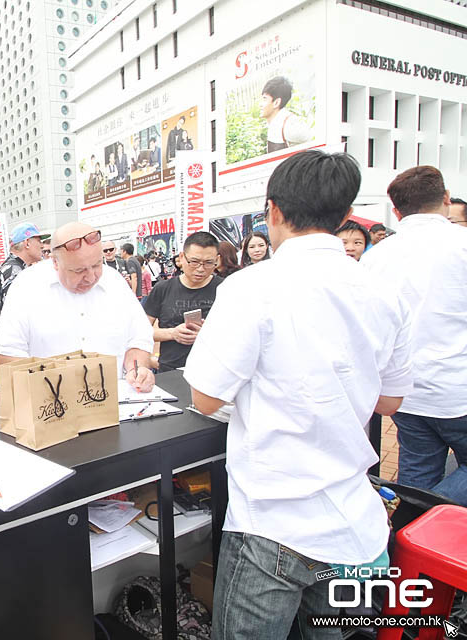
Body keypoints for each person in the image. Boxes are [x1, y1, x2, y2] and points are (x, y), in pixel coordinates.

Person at [184, 151, 413, 638]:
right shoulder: (383, 292)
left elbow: (204, 397)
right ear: (342, 216)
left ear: (273, 212)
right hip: (354, 524)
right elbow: (389, 403)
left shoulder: (252, 287)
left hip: (273, 524)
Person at [362, 165, 467, 505]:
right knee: (424, 483)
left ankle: (409, 520)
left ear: (396, 210)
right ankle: (422, 514)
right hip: (457, 390)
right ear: (446, 200)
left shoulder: (375, 258)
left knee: (417, 473)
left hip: (403, 392)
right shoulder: (462, 244)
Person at [0, 222, 155, 391]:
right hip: (52, 405)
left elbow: (138, 338)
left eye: (97, 265)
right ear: (55, 262)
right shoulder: (26, 286)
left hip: (117, 404)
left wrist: (137, 369)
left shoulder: (115, 282)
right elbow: (7, 353)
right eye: (79, 271)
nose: (91, 277)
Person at [142, 232, 223, 372]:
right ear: (181, 258)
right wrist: (173, 334)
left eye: (209, 263)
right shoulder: (163, 289)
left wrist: (207, 335)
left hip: (213, 371)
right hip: (170, 370)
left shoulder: (225, 289)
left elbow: (239, 335)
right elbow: (141, 332)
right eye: (194, 261)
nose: (200, 269)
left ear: (217, 260)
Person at [0, 222, 46, 374]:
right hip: (12, 354)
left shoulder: (13, 267)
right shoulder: (15, 271)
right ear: (27, 243)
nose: (42, 246)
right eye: (39, 241)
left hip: (8, 351)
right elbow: (16, 315)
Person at [260, 76, 310, 154]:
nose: (260, 104)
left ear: (276, 102)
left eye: (264, 99)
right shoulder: (275, 121)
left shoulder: (290, 125)